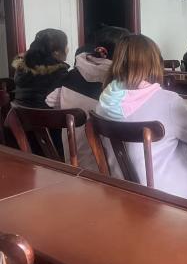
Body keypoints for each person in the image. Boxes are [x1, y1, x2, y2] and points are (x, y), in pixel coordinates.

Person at [96, 34, 187, 208]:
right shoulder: (167, 102)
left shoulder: (103, 101)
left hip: (122, 186)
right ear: (154, 62)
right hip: (164, 194)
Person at [46, 26, 130, 171]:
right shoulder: (118, 83)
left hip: (73, 162)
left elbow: (50, 100)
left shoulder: (72, 75)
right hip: (107, 171)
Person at [13, 28, 69, 108]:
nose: (67, 49)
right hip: (49, 115)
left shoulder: (23, 69)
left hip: (21, 115)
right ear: (56, 51)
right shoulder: (60, 72)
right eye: (66, 45)